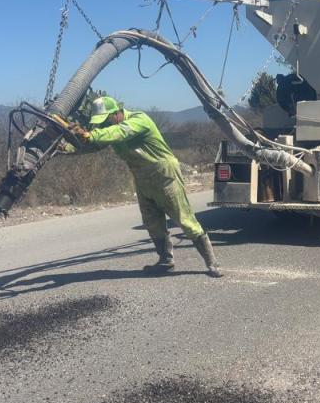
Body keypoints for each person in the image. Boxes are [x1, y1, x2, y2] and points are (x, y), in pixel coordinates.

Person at [70, 95, 222, 277]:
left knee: (184, 219)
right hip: (142, 178)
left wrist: (92, 135)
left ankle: (212, 263)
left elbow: (120, 132)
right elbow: (94, 143)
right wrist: (69, 144)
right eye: (100, 123)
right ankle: (165, 261)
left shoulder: (138, 119)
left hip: (164, 175)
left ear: (117, 113)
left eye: (105, 120)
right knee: (152, 222)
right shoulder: (108, 130)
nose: (103, 125)